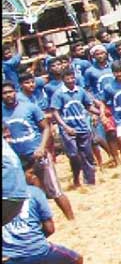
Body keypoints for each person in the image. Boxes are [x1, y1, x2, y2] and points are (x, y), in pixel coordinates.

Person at [2, 160, 89, 264]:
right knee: (76, 260)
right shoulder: (34, 193)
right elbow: (50, 228)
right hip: (34, 250)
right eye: (32, 173)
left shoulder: (5, 197)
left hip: (7, 256)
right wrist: (32, 238)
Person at [2, 82, 74, 220]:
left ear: (15, 92)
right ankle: (45, 221)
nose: (8, 95)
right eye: (4, 93)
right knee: (32, 194)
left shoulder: (29, 107)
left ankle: (71, 219)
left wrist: (42, 147)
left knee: (55, 190)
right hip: (19, 161)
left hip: (39, 156)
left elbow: (46, 128)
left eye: (10, 92)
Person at [49, 68, 99, 188]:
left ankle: (90, 182)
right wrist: (64, 126)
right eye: (68, 78)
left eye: (72, 78)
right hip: (69, 129)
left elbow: (88, 106)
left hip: (83, 127)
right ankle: (76, 178)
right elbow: (55, 112)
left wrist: (99, 113)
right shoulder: (59, 94)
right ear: (63, 79)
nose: (71, 80)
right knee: (74, 155)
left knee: (87, 155)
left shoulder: (80, 91)